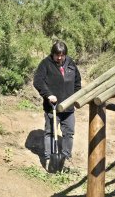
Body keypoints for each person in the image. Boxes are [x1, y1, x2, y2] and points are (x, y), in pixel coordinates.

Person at [33, 40, 81, 171]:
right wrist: (48, 95)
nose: (59, 58)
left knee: (69, 133)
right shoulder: (45, 64)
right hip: (52, 106)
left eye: (62, 55)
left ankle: (64, 160)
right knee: (50, 132)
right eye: (57, 55)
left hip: (68, 108)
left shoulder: (71, 63)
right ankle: (49, 159)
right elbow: (38, 81)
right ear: (53, 54)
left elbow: (77, 83)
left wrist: (75, 98)